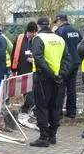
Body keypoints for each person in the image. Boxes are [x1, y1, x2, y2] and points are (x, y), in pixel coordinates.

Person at [30, 17, 71, 147]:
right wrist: (61, 74)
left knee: (42, 106)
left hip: (44, 78)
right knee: (55, 107)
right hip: (58, 79)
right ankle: (52, 135)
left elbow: (39, 59)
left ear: (38, 26)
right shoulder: (60, 39)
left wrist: (51, 74)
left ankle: (43, 137)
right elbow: (67, 59)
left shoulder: (38, 39)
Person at [54, 12, 83, 119]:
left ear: (60, 20)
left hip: (65, 63)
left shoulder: (59, 31)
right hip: (76, 61)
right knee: (72, 87)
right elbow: (80, 42)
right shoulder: (76, 31)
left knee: (61, 87)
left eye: (57, 22)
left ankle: (59, 112)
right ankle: (72, 112)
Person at [11, 21, 38, 113]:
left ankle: (32, 108)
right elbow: (14, 53)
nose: (34, 35)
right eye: (33, 33)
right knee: (25, 89)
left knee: (32, 88)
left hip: (33, 68)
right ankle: (26, 107)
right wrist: (13, 68)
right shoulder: (19, 38)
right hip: (22, 67)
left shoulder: (37, 39)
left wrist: (33, 60)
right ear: (29, 32)